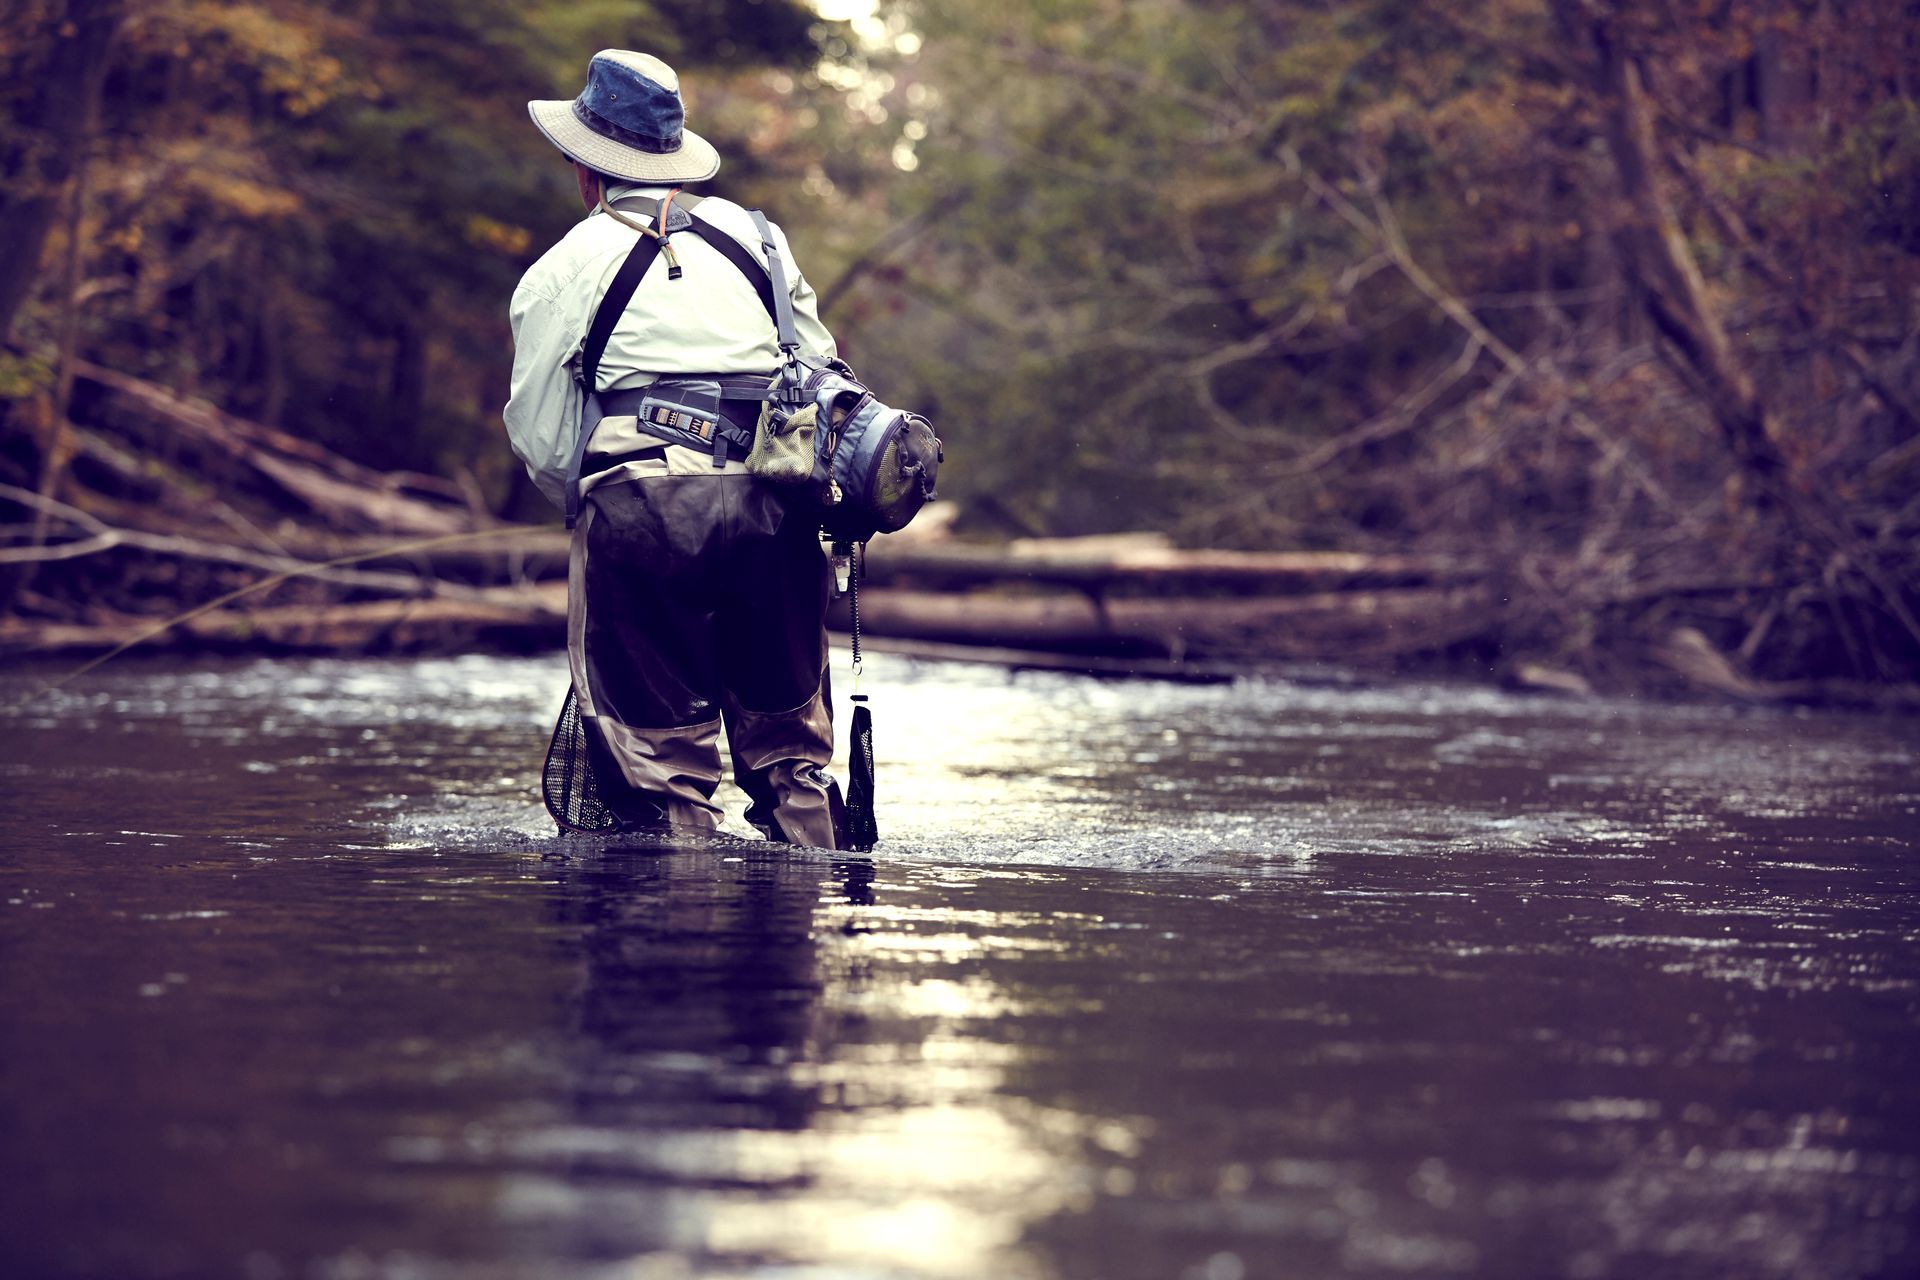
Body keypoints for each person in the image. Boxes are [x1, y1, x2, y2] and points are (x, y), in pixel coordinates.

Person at [504, 50, 844, 847]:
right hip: (776, 510)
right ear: (672, 162)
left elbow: (546, 442)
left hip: (642, 512)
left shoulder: (561, 269)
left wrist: (592, 506)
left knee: (663, 777)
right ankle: (807, 935)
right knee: (792, 760)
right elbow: (817, 369)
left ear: (585, 171)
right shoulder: (759, 239)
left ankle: (672, 949)